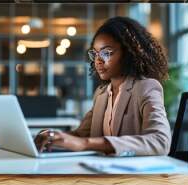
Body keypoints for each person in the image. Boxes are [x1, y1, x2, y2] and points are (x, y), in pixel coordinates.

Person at [34, 16, 171, 156]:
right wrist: (51, 137)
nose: (98, 61)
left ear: (129, 54)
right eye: (95, 54)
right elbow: (80, 136)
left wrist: (86, 144)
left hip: (133, 174)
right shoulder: (101, 93)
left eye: (106, 53)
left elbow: (160, 141)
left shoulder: (145, 87)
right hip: (101, 169)